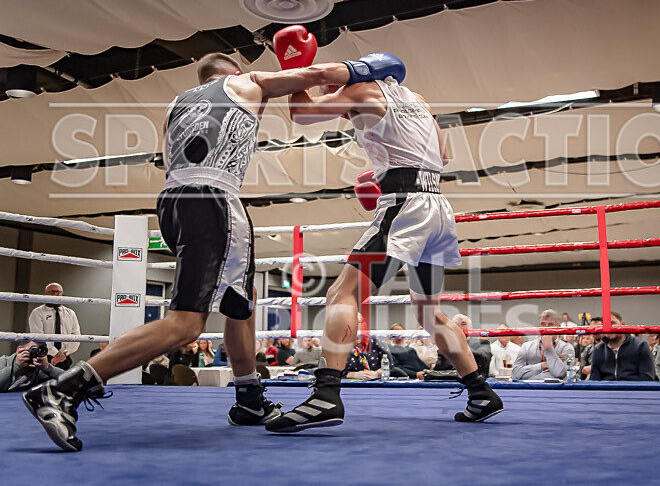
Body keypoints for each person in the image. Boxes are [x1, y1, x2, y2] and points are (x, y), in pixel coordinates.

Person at [23, 27, 376, 451]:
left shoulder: (177, 106)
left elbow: (169, 162)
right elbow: (310, 76)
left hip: (173, 200)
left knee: (238, 306)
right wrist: (363, 69)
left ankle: (248, 398)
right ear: (234, 71)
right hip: (214, 198)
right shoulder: (246, 81)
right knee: (187, 323)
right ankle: (64, 389)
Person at [264, 52, 503, 433]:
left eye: (329, 87)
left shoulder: (359, 89)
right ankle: (481, 392)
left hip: (405, 206)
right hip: (438, 208)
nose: (326, 91)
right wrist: (381, 164)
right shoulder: (417, 99)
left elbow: (302, 114)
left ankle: (326, 394)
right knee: (429, 311)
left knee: (341, 295)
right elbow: (441, 155)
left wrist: (297, 63)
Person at [28, 283, 81, 370]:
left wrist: (63, 354)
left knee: (64, 382)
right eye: (52, 292)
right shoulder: (37, 312)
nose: (55, 294)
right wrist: (55, 353)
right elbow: (38, 336)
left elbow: (76, 337)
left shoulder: (70, 313)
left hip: (64, 358)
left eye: (58, 292)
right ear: (45, 294)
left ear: (62, 294)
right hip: (43, 356)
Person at [589, 312, 655, 381]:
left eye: (612, 323)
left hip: (633, 390)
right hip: (607, 390)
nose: (609, 327)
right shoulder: (598, 349)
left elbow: (647, 379)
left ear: (622, 324)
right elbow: (594, 379)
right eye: (605, 325)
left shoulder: (640, 346)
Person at [512, 309, 575, 380]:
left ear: (558, 327)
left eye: (550, 325)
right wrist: (543, 365)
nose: (546, 328)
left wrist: (549, 348)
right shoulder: (526, 347)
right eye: (543, 324)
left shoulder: (567, 348)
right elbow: (516, 374)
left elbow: (562, 374)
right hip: (530, 389)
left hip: (556, 390)